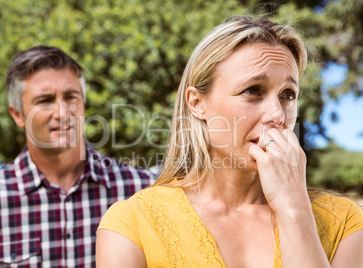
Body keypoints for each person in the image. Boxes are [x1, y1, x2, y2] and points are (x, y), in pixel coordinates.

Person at [96, 16, 363, 267]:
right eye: (253, 90)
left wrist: (294, 209)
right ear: (197, 103)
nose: (277, 115)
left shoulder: (345, 222)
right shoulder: (132, 224)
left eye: (288, 94)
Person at [0, 46, 155, 267]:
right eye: (45, 101)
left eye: (71, 97)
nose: (63, 113)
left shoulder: (143, 192)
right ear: (17, 115)